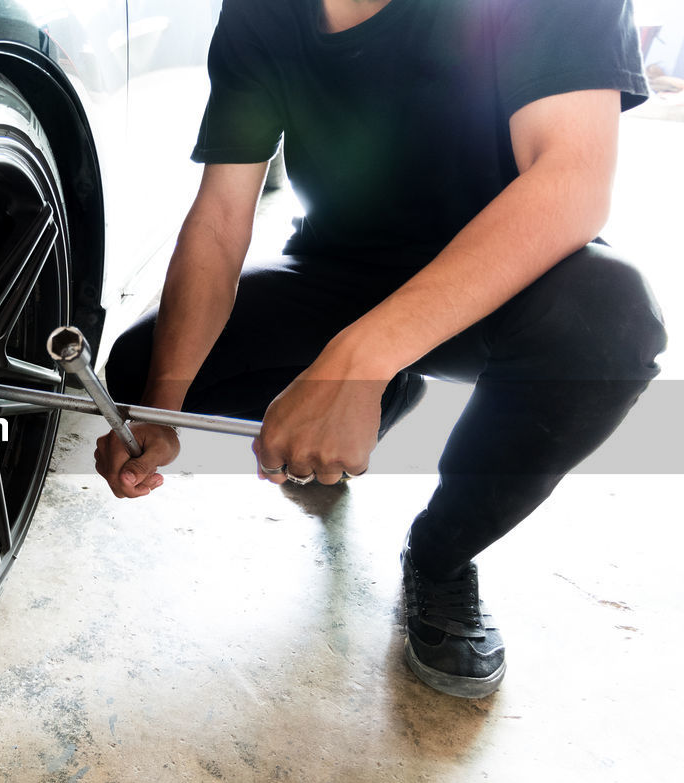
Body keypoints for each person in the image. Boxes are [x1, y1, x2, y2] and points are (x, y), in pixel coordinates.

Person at [94, 0, 667, 699]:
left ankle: (442, 553)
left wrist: (358, 359)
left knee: (610, 320)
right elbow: (219, 219)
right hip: (340, 271)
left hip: (498, 280)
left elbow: (570, 183)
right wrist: (162, 410)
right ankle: (387, 393)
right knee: (142, 369)